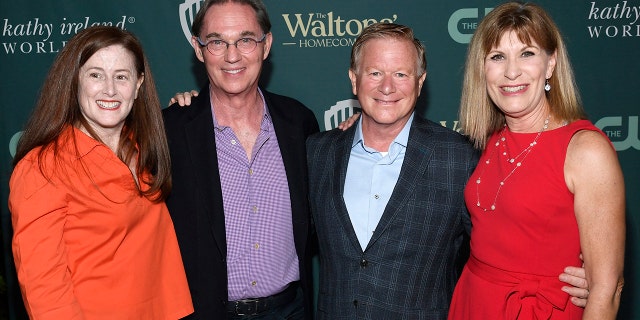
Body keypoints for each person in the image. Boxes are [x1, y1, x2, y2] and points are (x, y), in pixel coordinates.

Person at [448, 2, 625, 319]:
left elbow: (605, 292)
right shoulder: (489, 138)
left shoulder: (586, 150)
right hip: (475, 302)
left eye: (527, 53)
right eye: (497, 56)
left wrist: (603, 282)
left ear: (551, 63)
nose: (511, 71)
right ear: (482, 69)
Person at [8, 26, 193, 319]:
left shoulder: (145, 145)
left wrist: (193, 109)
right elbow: (44, 290)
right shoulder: (43, 167)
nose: (109, 89)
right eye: (95, 75)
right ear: (75, 82)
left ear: (138, 84)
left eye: (122, 76)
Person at [162, 0, 319, 318]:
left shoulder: (299, 122)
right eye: (217, 41)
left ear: (266, 45)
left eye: (246, 39)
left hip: (291, 310)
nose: (232, 56)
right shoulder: (170, 130)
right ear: (199, 48)